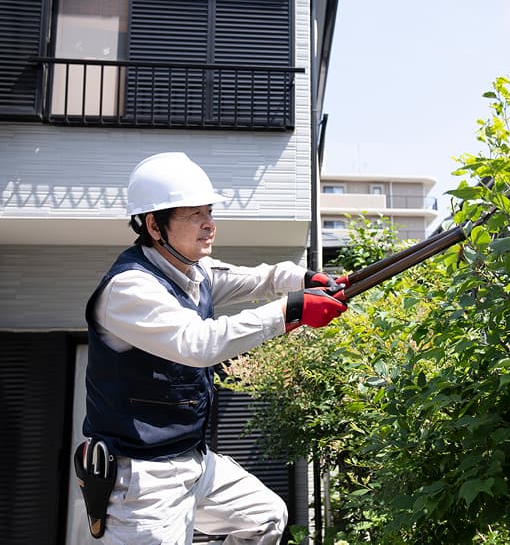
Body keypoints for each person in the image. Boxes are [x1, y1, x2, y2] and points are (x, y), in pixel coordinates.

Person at [79, 152, 347, 544]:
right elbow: (200, 343)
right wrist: (294, 310)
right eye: (194, 215)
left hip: (195, 461)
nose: (209, 224)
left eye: (209, 211)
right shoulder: (130, 288)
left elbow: (260, 279)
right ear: (155, 226)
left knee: (265, 518)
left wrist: (309, 278)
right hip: (141, 479)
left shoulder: (194, 272)